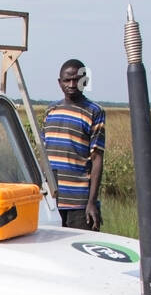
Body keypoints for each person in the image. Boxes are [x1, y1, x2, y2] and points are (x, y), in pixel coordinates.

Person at [42, 59, 105, 230]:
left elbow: (97, 158)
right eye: (66, 80)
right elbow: (43, 153)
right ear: (59, 82)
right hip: (52, 202)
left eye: (76, 80)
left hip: (80, 204)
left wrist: (91, 202)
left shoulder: (94, 111)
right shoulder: (50, 111)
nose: (71, 84)